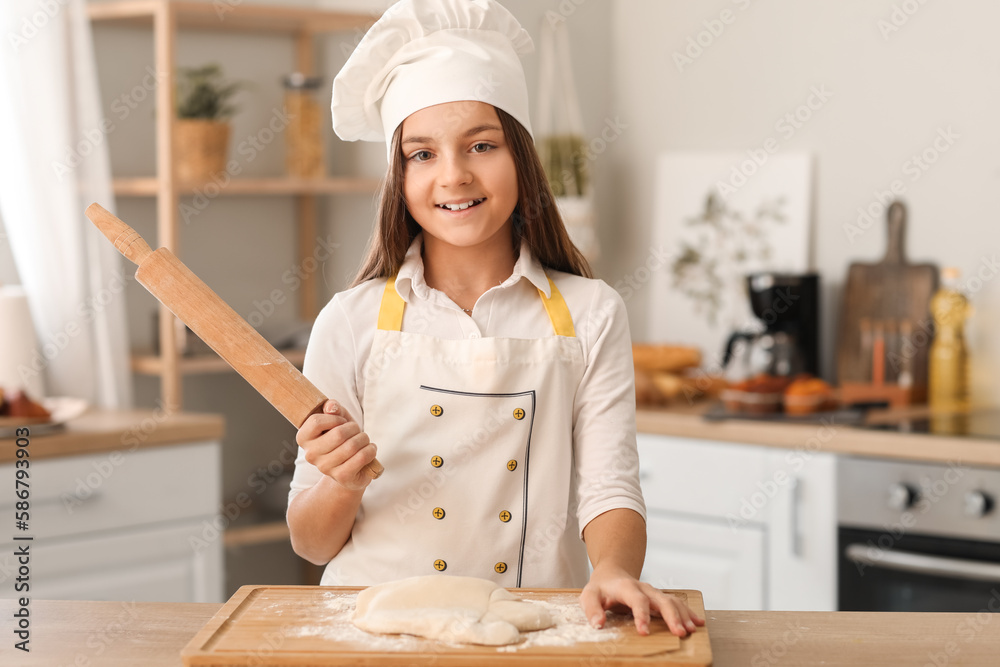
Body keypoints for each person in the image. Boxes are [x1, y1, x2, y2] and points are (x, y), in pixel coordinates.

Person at [286, 0, 704, 638]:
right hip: (370, 637)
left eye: (481, 145)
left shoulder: (591, 312)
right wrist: (341, 482)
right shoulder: (350, 321)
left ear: (522, 159)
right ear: (398, 177)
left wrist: (614, 568)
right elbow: (312, 545)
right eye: (421, 155)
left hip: (531, 630)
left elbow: (609, 485)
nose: (453, 175)